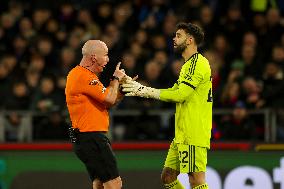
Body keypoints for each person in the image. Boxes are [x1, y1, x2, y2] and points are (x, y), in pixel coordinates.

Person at [122, 22, 212, 189]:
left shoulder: (197, 63)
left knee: (195, 179)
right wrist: (144, 89)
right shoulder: (188, 65)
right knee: (168, 176)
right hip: (182, 134)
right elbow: (174, 90)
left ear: (190, 40)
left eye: (179, 35)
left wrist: (145, 91)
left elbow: (180, 95)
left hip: (193, 131)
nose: (174, 38)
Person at [65, 40, 126, 189]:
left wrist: (122, 90)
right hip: (91, 137)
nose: (107, 59)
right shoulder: (83, 76)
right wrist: (116, 78)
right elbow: (110, 98)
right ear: (93, 58)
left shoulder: (80, 75)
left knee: (99, 183)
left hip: (84, 139)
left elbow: (108, 102)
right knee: (114, 183)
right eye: (105, 55)